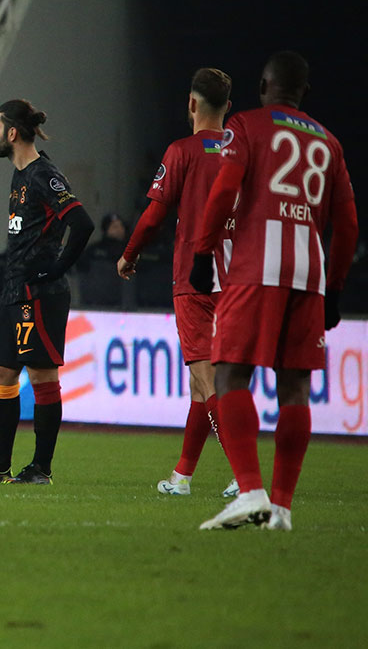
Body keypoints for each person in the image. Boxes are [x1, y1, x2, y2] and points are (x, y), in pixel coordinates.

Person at [191, 51, 357, 530]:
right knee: (295, 388)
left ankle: (249, 492)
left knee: (231, 375)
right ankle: (281, 507)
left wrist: (204, 252)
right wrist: (336, 287)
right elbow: (347, 225)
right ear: (303, 92)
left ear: (265, 86)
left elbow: (224, 191)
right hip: (309, 274)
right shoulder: (329, 142)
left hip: (254, 267)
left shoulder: (246, 126)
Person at [0, 99, 94, 484]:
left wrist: (59, 266)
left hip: (40, 294)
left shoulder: (42, 175)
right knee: (1, 373)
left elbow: (82, 223)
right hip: (14, 291)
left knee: (42, 378)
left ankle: (41, 469)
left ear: (12, 133)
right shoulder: (19, 175)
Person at [117, 67, 239, 498]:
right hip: (239, 280)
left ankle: (246, 478)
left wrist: (129, 255)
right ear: (228, 107)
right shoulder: (244, 151)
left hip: (195, 279)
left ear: (191, 104)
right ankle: (182, 477)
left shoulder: (182, 151)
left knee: (207, 382)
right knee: (201, 387)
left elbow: (153, 215)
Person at [76, 213, 128, 307]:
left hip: (119, 303)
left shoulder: (128, 250)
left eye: (121, 226)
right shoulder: (94, 250)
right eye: (115, 226)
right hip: (95, 301)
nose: (119, 230)